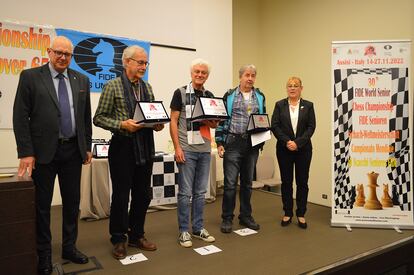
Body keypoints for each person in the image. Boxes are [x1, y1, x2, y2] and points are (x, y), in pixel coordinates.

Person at [13, 36, 92, 275]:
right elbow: (20, 116)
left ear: (72, 56)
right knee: (42, 206)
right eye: (58, 52)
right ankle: (44, 254)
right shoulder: (30, 77)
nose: (62, 57)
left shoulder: (82, 79)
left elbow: (85, 117)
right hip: (43, 152)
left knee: (72, 204)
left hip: (72, 151)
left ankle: (69, 247)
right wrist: (26, 152)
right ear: (49, 52)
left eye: (67, 54)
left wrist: (86, 146)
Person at [93, 45, 164, 259]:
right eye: (140, 62)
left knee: (143, 195)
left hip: (145, 145)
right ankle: (119, 239)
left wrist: (157, 124)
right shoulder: (112, 86)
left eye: (145, 63)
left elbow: (150, 115)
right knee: (122, 196)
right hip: (122, 147)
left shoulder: (147, 87)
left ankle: (137, 235)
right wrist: (122, 124)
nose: (143, 66)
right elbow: (99, 117)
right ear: (126, 62)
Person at [169, 58, 219, 247]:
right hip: (187, 149)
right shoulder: (180, 93)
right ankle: (183, 231)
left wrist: (213, 121)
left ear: (207, 76)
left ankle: (198, 228)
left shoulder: (209, 95)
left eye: (203, 73)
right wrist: (177, 148)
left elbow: (213, 123)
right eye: (197, 71)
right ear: (191, 73)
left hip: (204, 149)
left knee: (200, 192)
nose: (200, 75)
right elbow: (173, 121)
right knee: (185, 193)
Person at [215, 64, 266, 233]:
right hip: (233, 143)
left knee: (247, 183)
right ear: (240, 77)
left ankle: (245, 216)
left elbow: (263, 118)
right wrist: (220, 142)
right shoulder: (229, 96)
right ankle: (227, 218)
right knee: (230, 184)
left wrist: (261, 141)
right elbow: (221, 120)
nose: (250, 78)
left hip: (252, 144)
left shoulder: (259, 96)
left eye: (253, 75)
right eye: (247, 75)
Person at [270, 76, 315, 229]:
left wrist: (298, 143)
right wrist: (287, 142)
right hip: (284, 149)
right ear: (286, 88)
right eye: (290, 85)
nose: (292, 88)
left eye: (296, 85)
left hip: (303, 150)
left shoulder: (308, 106)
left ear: (301, 88)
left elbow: (311, 127)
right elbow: (275, 126)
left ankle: (301, 214)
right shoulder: (279, 105)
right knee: (287, 182)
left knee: (302, 182)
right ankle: (287, 212)